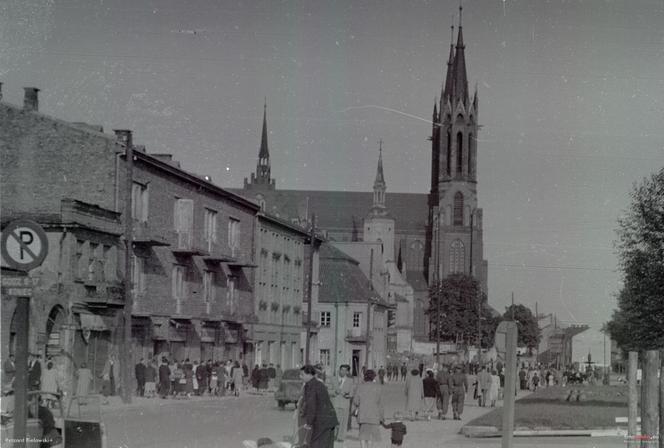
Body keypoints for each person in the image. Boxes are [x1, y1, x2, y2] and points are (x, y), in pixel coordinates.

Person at [299, 364, 338, 448]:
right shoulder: (314, 384)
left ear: (309, 374)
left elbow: (312, 406)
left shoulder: (312, 386)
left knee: (316, 445)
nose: (300, 377)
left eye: (302, 375)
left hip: (323, 422)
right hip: (327, 420)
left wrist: (309, 422)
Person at [353, 369, 384, 448]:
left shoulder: (360, 386)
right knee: (371, 435)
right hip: (374, 414)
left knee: (362, 434)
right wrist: (381, 417)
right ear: (373, 377)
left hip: (363, 414)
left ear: (365, 377)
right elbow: (380, 404)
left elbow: (356, 401)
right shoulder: (378, 387)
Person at [332, 364, 353, 443]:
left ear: (347, 372)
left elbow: (351, 393)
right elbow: (328, 390)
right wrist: (334, 392)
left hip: (345, 404)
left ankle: (341, 437)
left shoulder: (350, 381)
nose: (343, 372)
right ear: (339, 370)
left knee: (343, 422)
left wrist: (347, 395)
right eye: (342, 370)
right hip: (335, 403)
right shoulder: (333, 379)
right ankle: (333, 435)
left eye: (345, 370)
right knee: (334, 420)